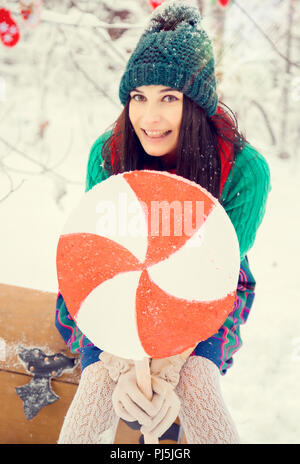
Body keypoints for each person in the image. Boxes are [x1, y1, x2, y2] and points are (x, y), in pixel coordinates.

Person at [56, 0, 271, 444]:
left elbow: (214, 278)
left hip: (211, 290)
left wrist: (169, 373)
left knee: (197, 385)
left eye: (168, 98)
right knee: (97, 384)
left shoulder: (242, 169)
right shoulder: (110, 153)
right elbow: (98, 262)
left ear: (196, 105)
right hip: (113, 283)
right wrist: (109, 360)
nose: (149, 119)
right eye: (139, 97)